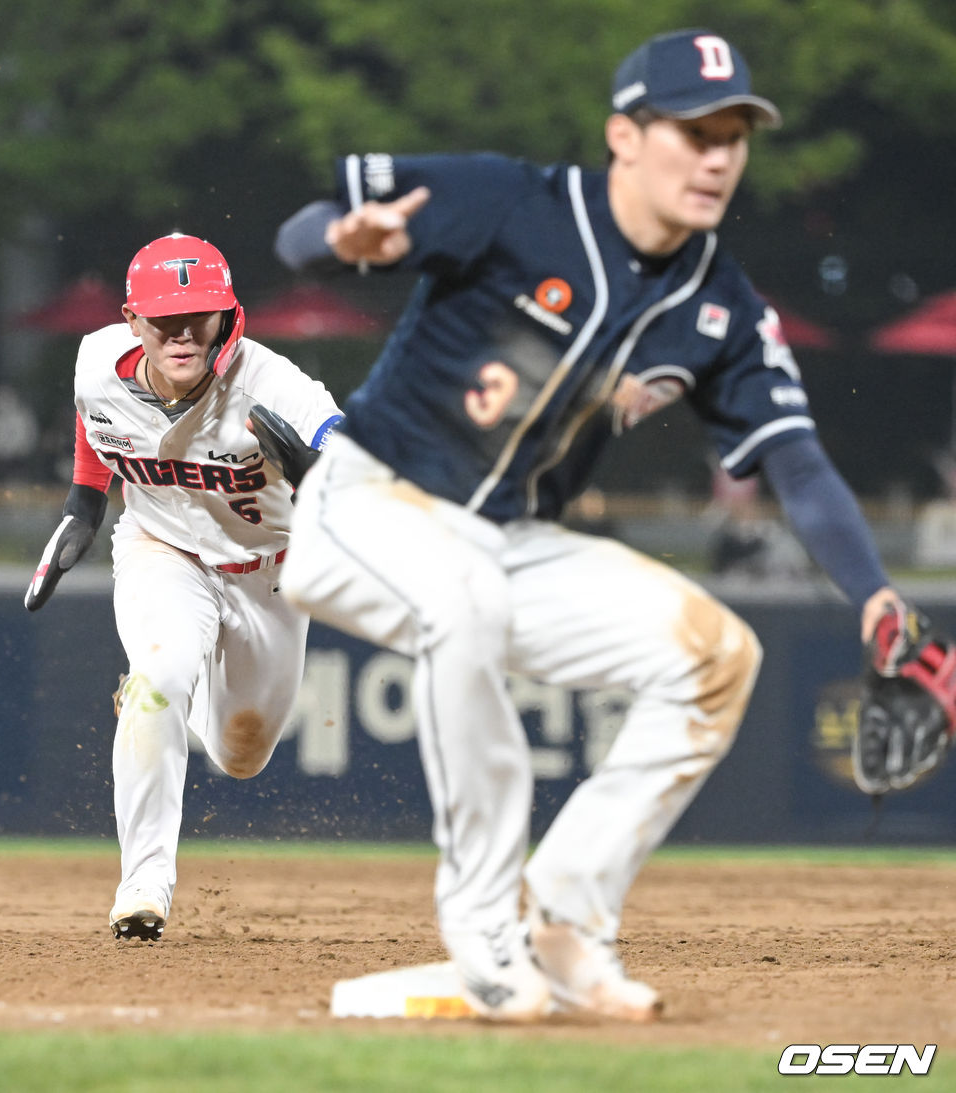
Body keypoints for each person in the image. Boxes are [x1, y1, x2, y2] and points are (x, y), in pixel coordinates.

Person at [272, 28, 903, 1022]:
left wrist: (870, 591)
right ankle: (483, 933)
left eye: (733, 134)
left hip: (506, 539)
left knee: (717, 655)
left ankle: (564, 923)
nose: (717, 157)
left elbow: (795, 459)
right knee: (461, 598)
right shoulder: (512, 201)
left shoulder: (719, 303)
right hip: (366, 501)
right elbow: (303, 226)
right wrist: (337, 244)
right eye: (693, 131)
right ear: (623, 133)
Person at [25, 234, 342, 941]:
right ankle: (144, 882)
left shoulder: (274, 387)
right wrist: (84, 501)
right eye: (163, 316)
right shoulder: (95, 361)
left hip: (270, 574)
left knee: (242, 755)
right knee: (160, 672)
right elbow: (95, 416)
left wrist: (325, 471)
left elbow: (353, 452)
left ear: (226, 315)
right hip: (161, 549)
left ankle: (166, 700)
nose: (180, 331)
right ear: (133, 319)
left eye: (197, 313)